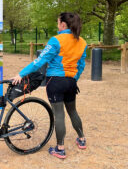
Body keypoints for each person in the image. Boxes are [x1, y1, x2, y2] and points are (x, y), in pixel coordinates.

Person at [12, 12, 87, 159]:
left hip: (56, 81)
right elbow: (81, 65)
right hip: (71, 81)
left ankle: (60, 148)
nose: (57, 25)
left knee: (59, 114)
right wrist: (74, 78)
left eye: (58, 23)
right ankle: (82, 139)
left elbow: (39, 62)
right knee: (72, 111)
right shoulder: (82, 42)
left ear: (63, 24)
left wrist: (21, 74)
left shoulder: (56, 40)